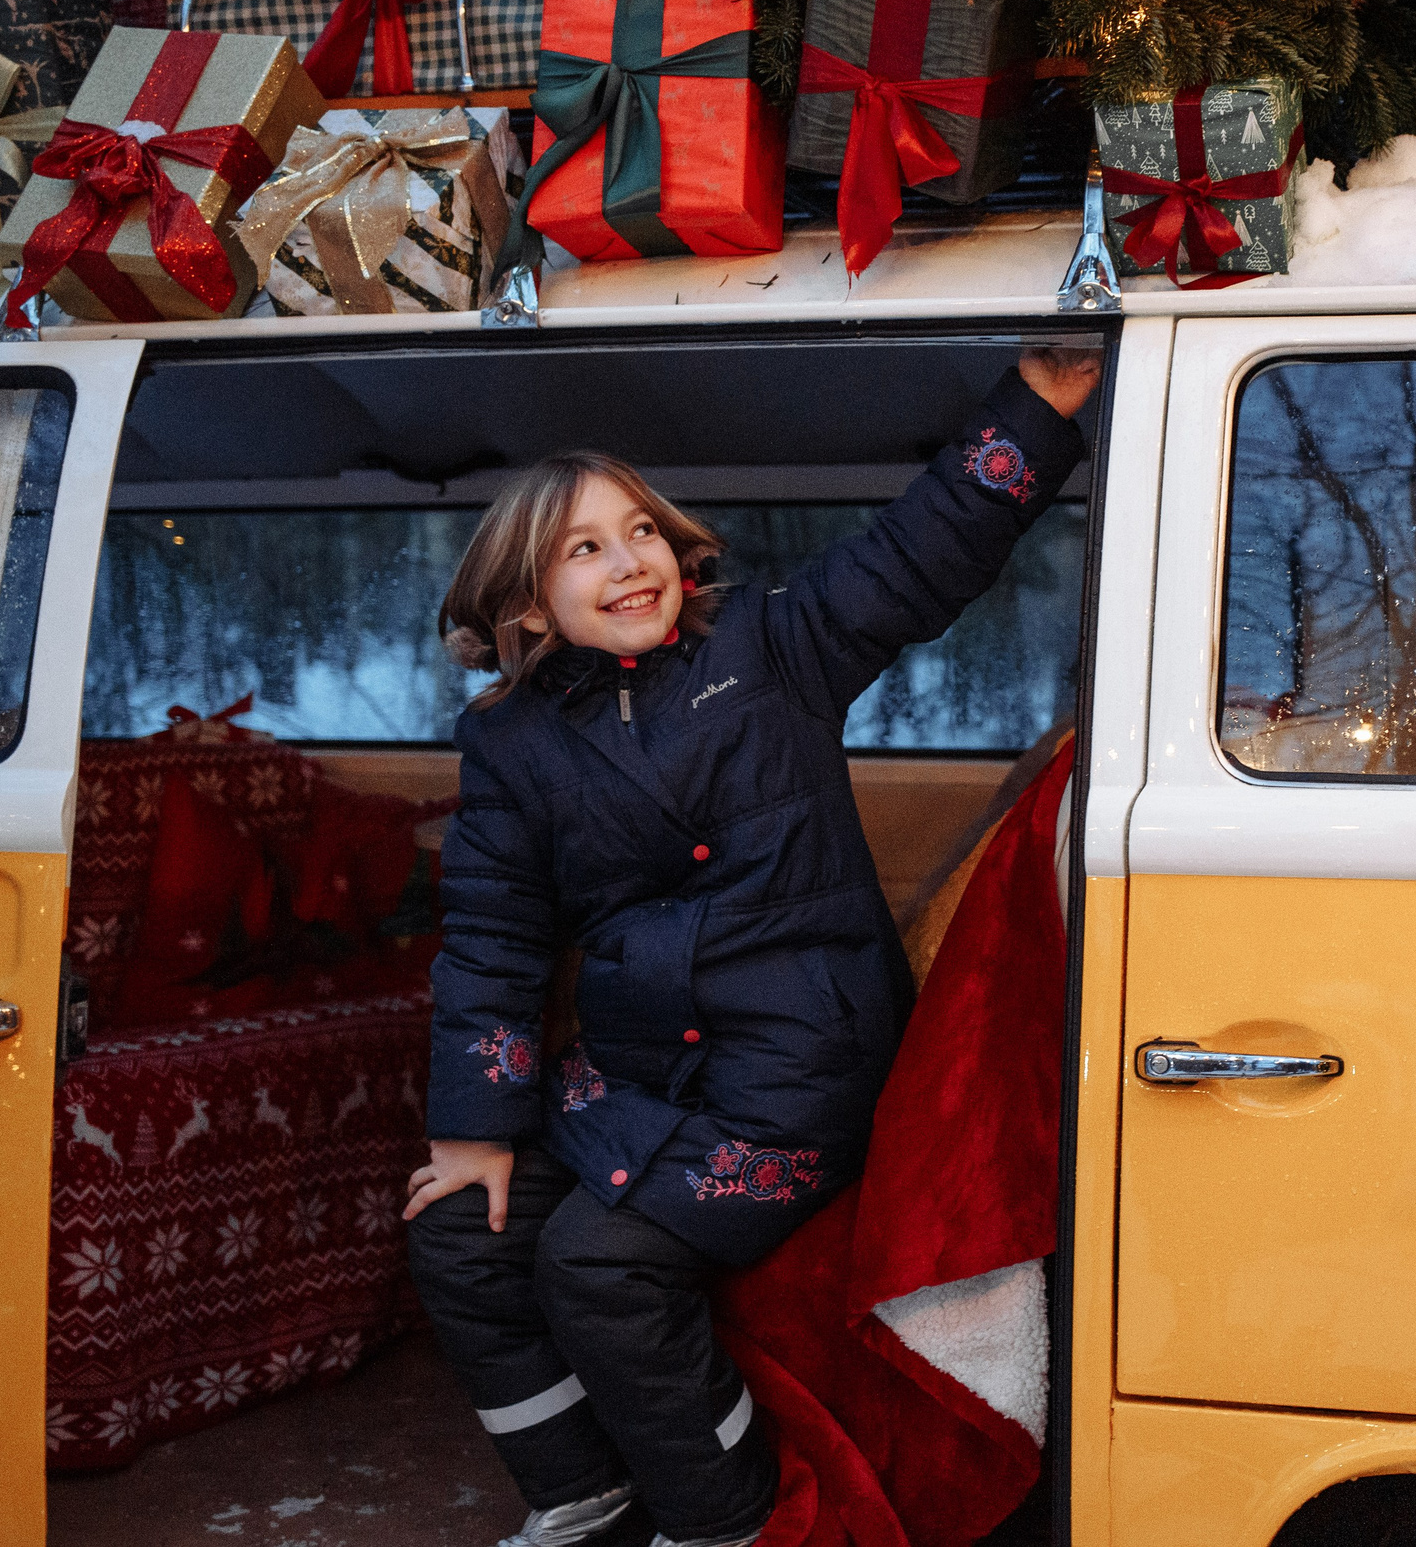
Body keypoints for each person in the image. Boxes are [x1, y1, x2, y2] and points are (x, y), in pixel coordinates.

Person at [401, 348, 1101, 1547]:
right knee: (460, 1232)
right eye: (585, 548)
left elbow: (917, 554)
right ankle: (583, 1491)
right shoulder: (512, 742)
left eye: (640, 532)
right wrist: (475, 1126)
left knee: (597, 1263)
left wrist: (1034, 412)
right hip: (637, 1076)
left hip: (793, 1077)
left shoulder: (774, 651)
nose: (630, 560)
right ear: (524, 604)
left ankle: (720, 1518)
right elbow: (492, 938)